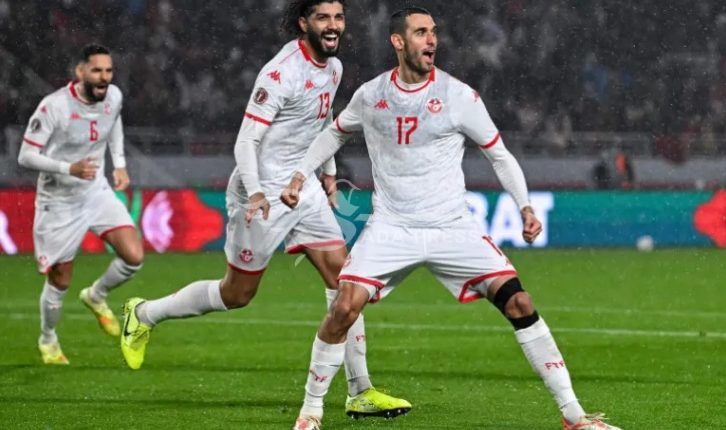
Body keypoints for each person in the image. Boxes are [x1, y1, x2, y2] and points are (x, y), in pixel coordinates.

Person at [282, 7, 622, 430]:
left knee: (519, 302)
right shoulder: (371, 95)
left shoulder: (459, 96)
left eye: (434, 32)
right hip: (392, 227)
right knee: (343, 307)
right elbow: (334, 132)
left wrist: (524, 206)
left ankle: (575, 417)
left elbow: (499, 154)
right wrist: (301, 174)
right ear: (398, 41)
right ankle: (310, 414)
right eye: (421, 32)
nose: (432, 40)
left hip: (452, 228)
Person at [119, 0, 410, 419]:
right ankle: (144, 313)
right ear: (304, 23)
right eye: (323, 18)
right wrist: (256, 193)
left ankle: (360, 390)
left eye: (339, 17)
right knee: (236, 294)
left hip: (302, 187)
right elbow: (246, 141)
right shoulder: (280, 73)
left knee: (345, 279)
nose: (333, 26)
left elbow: (322, 121)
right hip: (262, 194)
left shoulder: (334, 67)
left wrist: (327, 173)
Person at [17, 44, 144, 365]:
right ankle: (48, 339)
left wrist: (119, 164)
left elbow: (113, 122)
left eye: (108, 70)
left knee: (134, 257)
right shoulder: (54, 106)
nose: (104, 77)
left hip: (95, 191)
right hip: (59, 200)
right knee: (60, 279)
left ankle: (96, 295)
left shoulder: (113, 96)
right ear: (80, 71)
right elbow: (26, 156)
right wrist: (68, 168)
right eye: (97, 70)